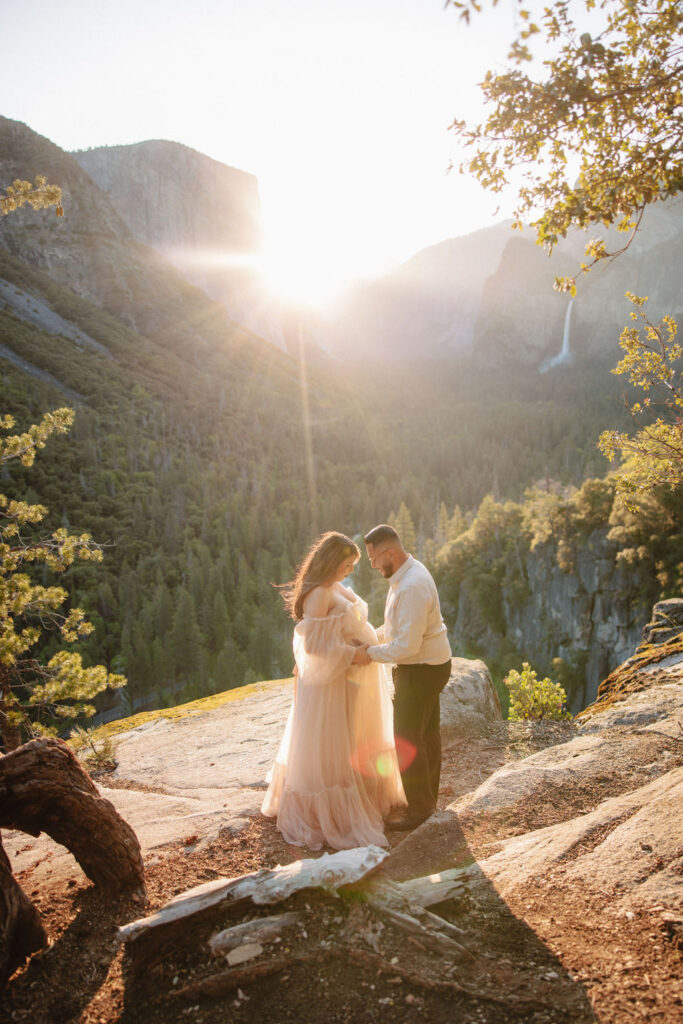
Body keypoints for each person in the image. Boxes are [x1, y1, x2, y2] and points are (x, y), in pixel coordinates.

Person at [261, 531, 406, 850]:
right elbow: (311, 645)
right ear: (331, 561)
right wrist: (350, 653)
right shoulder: (318, 594)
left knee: (355, 741)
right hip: (334, 684)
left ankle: (366, 795)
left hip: (352, 679)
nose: (351, 570)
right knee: (334, 750)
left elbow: (337, 628)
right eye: (348, 564)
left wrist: (361, 645)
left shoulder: (334, 585)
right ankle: (331, 814)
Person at [355, 524, 452, 831]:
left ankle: (419, 812)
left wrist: (369, 654)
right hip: (431, 663)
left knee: (407, 739)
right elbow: (400, 630)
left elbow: (406, 646)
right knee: (426, 735)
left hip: (421, 669)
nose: (371, 564)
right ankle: (427, 802)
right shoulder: (406, 575)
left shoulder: (410, 586)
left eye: (373, 558)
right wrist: (372, 638)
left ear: (390, 553)